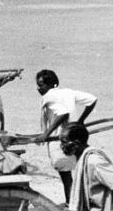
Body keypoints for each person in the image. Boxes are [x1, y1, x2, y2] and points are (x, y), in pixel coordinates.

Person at [34, 68, 97, 202]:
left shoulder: (47, 96)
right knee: (74, 173)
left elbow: (63, 113)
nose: (38, 89)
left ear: (52, 84)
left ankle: (71, 204)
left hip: (60, 140)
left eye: (41, 85)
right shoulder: (68, 92)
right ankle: (76, 202)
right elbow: (92, 100)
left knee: (66, 176)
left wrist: (46, 134)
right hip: (75, 137)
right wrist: (81, 121)